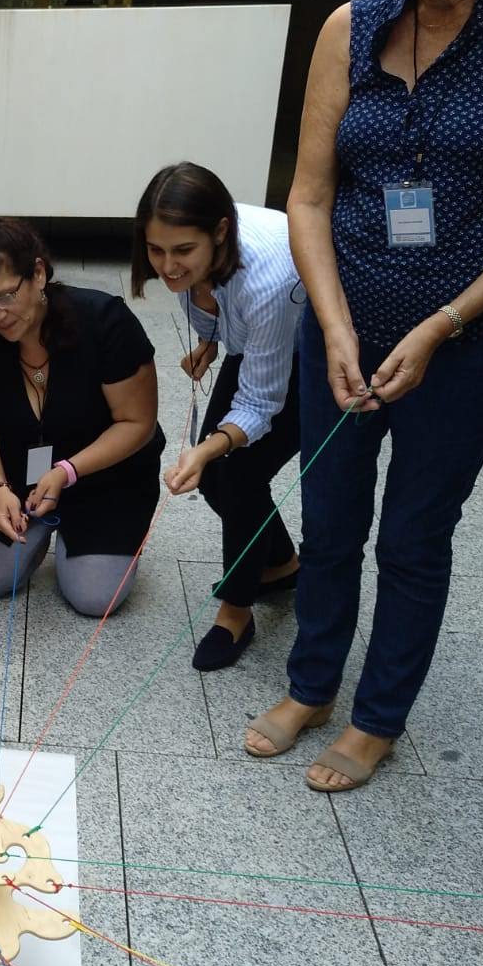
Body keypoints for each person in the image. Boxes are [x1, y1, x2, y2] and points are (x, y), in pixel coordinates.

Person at [247, 0, 483, 790]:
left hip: (470, 340)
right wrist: (333, 326)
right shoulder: (352, 25)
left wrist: (443, 323)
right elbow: (310, 196)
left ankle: (378, 719)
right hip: (345, 326)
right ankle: (312, 685)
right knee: (329, 520)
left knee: (413, 534)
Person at [134, 163, 304, 672]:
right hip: (260, 343)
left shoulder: (267, 281)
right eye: (155, 250)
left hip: (306, 356)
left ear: (220, 232)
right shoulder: (199, 254)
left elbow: (261, 404)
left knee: (237, 473)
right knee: (219, 480)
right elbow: (210, 296)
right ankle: (280, 564)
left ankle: (237, 609)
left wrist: (207, 448)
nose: (167, 266)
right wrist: (212, 338)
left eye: (183, 251)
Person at [0, 218, 164, 616]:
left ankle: (91, 537)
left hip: (105, 476)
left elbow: (137, 424)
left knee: (94, 597)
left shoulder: (105, 321)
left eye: (6, 296)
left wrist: (66, 472)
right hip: (21, 477)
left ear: (38, 273)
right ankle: (40, 526)